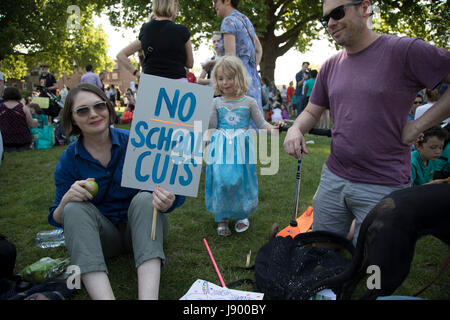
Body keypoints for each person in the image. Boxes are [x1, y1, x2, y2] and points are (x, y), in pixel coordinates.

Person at [283, 0, 450, 245]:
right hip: (334, 177)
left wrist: (417, 125)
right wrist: (296, 128)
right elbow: (311, 110)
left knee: (372, 270)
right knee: (322, 249)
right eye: (325, 18)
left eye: (337, 13)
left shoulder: (404, 50)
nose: (330, 23)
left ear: (364, 8)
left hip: (384, 184)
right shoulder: (330, 65)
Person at [47, 83, 185, 299]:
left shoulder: (138, 142)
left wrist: (170, 200)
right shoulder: (70, 159)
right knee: (72, 208)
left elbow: (174, 188)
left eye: (99, 106)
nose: (93, 114)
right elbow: (56, 217)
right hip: (102, 239)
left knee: (145, 197)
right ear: (72, 118)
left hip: (143, 231)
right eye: (83, 110)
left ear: (109, 108)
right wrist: (66, 201)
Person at [205, 56, 282, 236]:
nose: (225, 83)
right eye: (220, 78)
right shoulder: (216, 102)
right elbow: (213, 127)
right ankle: (222, 216)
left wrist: (274, 129)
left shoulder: (249, 102)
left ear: (239, 77)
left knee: (241, 181)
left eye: (229, 78)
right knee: (221, 181)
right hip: (222, 148)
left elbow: (262, 124)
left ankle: (242, 214)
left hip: (242, 149)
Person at [213, 0, 264, 127]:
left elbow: (230, 60)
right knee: (251, 132)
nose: (214, 5)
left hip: (236, 86)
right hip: (251, 83)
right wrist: (248, 69)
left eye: (215, 1)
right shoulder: (245, 20)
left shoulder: (228, 21)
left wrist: (213, 65)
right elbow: (258, 49)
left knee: (234, 133)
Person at [116, 0, 194, 81]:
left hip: (151, 82)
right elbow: (190, 63)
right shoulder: (182, 31)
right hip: (177, 84)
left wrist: (137, 73)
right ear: (174, 7)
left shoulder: (146, 29)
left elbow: (121, 55)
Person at [0, 87, 38, 152]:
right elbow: (32, 124)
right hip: (23, 141)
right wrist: (36, 120)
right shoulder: (23, 108)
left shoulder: (1, 107)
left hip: (5, 141)